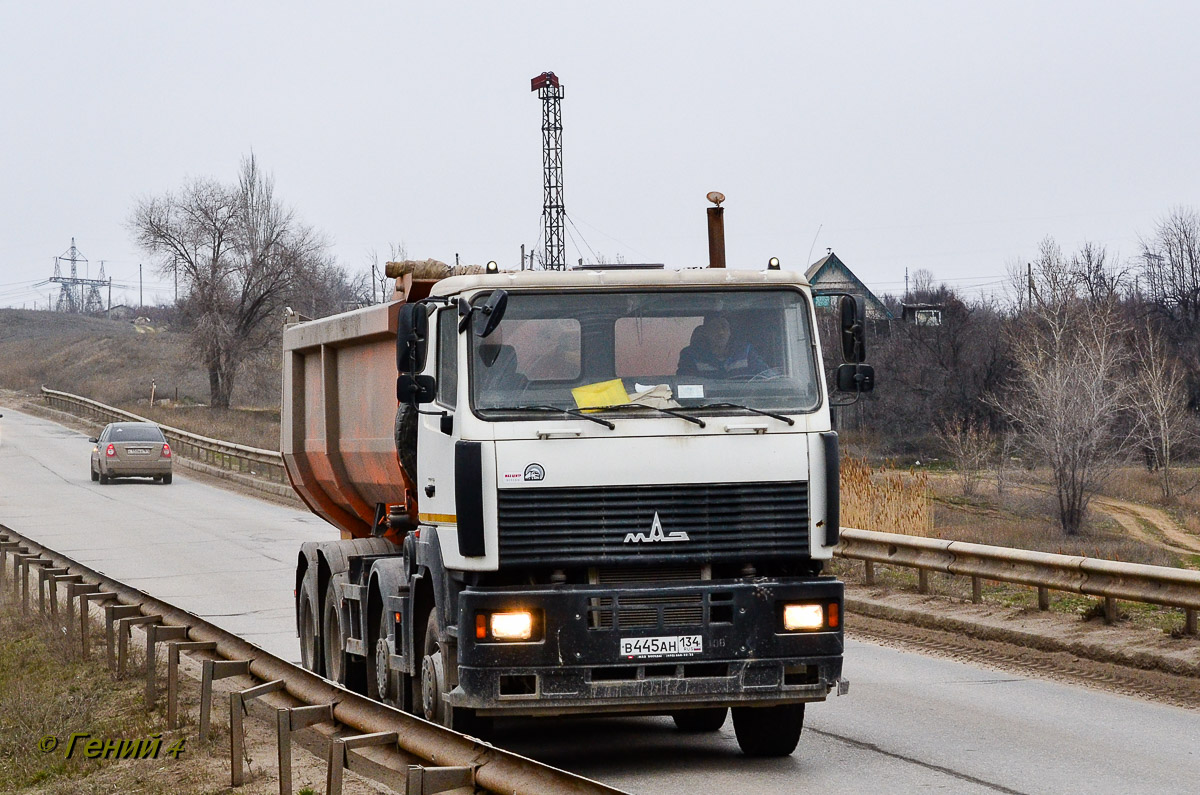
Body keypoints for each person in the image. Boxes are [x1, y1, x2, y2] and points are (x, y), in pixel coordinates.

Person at [676, 316, 769, 378]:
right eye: (714, 327)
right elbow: (684, 384)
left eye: (724, 327)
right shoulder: (691, 355)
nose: (721, 332)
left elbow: (767, 377)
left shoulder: (746, 351)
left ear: (730, 332)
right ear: (706, 332)